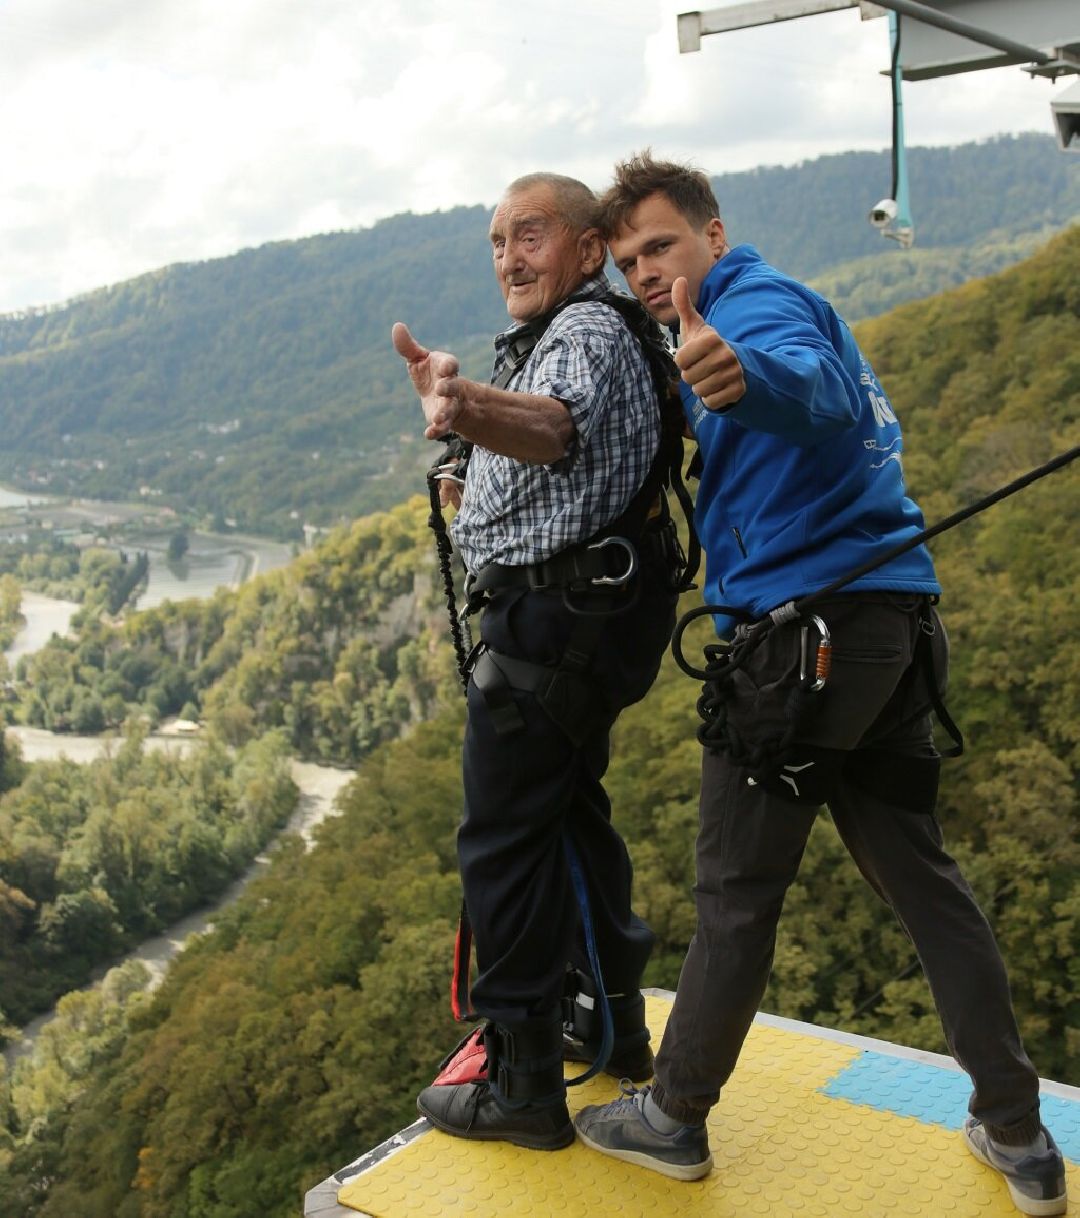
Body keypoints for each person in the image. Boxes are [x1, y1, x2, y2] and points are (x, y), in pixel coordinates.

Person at [573, 152, 1067, 1218]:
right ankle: (1020, 1133)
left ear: (713, 233)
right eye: (628, 263)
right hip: (888, 634)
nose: (646, 273)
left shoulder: (752, 311)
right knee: (927, 885)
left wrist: (745, 376)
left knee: (736, 894)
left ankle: (673, 1117)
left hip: (801, 649)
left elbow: (816, 390)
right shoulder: (746, 315)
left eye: (660, 246)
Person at [391, 172, 682, 1151]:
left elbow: (553, 427)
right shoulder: (596, 329)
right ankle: (613, 1023)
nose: (509, 260)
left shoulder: (585, 332)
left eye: (530, 236)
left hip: (554, 631)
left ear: (588, 250)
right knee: (569, 815)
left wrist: (464, 407)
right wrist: (475, 474)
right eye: (497, 242)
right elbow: (569, 455)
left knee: (504, 843)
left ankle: (520, 1084)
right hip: (593, 623)